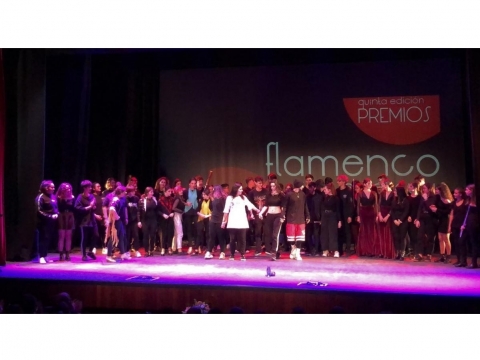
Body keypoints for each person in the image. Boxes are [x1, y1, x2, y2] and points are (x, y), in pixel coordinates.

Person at [222, 182, 259, 261]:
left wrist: (257, 209)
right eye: (240, 189)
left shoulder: (243, 198)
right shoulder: (230, 198)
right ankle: (232, 254)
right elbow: (226, 210)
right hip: (232, 222)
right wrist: (224, 221)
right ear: (236, 190)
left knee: (242, 239)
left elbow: (250, 204)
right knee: (232, 239)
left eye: (241, 189)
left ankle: (242, 254)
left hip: (242, 222)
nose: (242, 190)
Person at [259, 181, 286, 261]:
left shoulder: (281, 195)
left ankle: (274, 252)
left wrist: (282, 216)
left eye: (274, 186)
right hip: (269, 215)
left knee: (275, 235)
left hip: (277, 216)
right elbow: (266, 205)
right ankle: (276, 251)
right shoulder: (269, 195)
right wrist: (261, 213)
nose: (272, 188)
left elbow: (283, 207)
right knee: (269, 235)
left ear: (277, 186)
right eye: (271, 186)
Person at [284, 180, 310, 260]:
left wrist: (308, 216)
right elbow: (285, 206)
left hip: (301, 219)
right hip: (291, 219)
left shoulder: (303, 194)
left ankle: (298, 253)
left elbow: (305, 206)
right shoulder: (289, 195)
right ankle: (293, 249)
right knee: (291, 238)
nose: (303, 186)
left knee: (300, 237)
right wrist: (283, 215)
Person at [414, 183, 440, 262]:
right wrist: (417, 219)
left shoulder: (434, 197)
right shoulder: (423, 197)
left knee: (430, 237)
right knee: (419, 236)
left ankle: (429, 254)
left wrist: (426, 200)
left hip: (431, 219)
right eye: (423, 188)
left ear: (429, 189)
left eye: (425, 188)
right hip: (422, 218)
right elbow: (419, 208)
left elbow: (431, 208)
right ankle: (420, 254)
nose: (423, 190)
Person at [35, 180, 58, 264]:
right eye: (52, 187)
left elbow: (55, 208)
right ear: (46, 187)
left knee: (48, 238)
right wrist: (49, 216)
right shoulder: (41, 197)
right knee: (42, 238)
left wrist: (56, 214)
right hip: (42, 222)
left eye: (54, 187)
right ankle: (40, 256)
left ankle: (45, 255)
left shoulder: (53, 196)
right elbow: (39, 210)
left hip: (51, 222)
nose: (53, 188)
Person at [75, 180, 98, 261]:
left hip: (92, 219)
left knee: (95, 235)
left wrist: (94, 207)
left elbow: (94, 207)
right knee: (84, 238)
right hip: (84, 220)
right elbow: (77, 208)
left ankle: (90, 251)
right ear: (84, 188)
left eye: (90, 187)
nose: (90, 188)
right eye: (89, 187)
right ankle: (84, 254)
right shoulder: (80, 197)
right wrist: (89, 207)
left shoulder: (92, 196)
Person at [105, 186, 130, 262]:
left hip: (119, 221)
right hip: (116, 221)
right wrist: (117, 217)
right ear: (120, 192)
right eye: (123, 192)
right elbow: (111, 208)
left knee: (121, 236)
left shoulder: (120, 199)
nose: (125, 193)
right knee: (113, 237)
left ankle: (123, 253)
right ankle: (109, 255)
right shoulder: (116, 199)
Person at [356, 178, 378, 257]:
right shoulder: (360, 193)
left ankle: (371, 251)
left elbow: (376, 205)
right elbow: (358, 206)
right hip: (363, 213)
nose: (370, 184)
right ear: (364, 184)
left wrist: (377, 215)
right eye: (368, 183)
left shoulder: (374, 193)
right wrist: (358, 216)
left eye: (371, 183)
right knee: (363, 232)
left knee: (371, 232)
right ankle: (363, 250)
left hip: (372, 213)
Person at [248, 176, 268, 256]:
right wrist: (251, 214)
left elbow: (268, 202)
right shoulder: (252, 193)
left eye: (261, 183)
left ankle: (267, 248)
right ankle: (258, 249)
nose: (261, 185)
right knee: (258, 232)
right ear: (255, 183)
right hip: (256, 214)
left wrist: (265, 212)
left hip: (265, 214)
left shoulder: (266, 191)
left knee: (267, 231)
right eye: (259, 183)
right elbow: (250, 204)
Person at [320, 184, 342, 257]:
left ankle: (335, 250)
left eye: (325, 189)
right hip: (325, 216)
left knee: (333, 234)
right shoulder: (324, 198)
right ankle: (325, 250)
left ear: (330, 190)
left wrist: (339, 220)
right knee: (325, 234)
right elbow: (322, 208)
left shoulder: (336, 198)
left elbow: (338, 210)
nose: (324, 190)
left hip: (333, 216)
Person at [434, 182, 453, 263]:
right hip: (441, 220)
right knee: (440, 238)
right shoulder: (438, 199)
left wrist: (437, 210)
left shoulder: (447, 200)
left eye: (437, 189)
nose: (436, 191)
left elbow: (448, 212)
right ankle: (442, 255)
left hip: (446, 220)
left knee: (446, 238)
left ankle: (449, 256)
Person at [376, 180, 395, 259]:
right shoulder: (382, 193)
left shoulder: (393, 194)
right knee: (381, 234)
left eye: (382, 184)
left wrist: (387, 216)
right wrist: (379, 214)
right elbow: (378, 204)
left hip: (389, 215)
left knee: (388, 234)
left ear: (387, 184)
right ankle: (381, 251)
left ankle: (388, 252)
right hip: (382, 213)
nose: (381, 186)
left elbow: (393, 207)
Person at [336, 174, 354, 256]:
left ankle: (348, 249)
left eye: (339, 181)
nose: (338, 182)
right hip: (339, 214)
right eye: (337, 181)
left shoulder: (348, 191)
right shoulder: (337, 191)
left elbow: (350, 204)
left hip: (346, 214)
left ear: (344, 182)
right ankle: (340, 250)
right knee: (339, 232)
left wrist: (350, 215)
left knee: (347, 232)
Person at [56, 183, 75, 261]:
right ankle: (61, 254)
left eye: (69, 188)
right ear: (62, 189)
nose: (69, 190)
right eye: (67, 188)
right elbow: (57, 208)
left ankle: (67, 253)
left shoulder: (72, 197)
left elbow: (74, 208)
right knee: (61, 235)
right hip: (61, 216)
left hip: (70, 216)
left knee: (68, 236)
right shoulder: (58, 198)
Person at [390, 186, 410, 261]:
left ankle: (402, 253)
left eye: (395, 191)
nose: (394, 192)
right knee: (396, 237)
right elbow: (392, 210)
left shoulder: (405, 200)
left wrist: (400, 220)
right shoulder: (394, 200)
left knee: (402, 237)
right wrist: (395, 220)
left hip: (403, 221)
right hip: (395, 221)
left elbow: (406, 211)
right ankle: (397, 253)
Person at [449, 187, 468, 267]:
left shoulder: (465, 203)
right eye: (454, 193)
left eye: (456, 193)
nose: (454, 194)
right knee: (456, 243)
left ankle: (464, 261)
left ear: (460, 194)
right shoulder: (454, 203)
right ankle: (459, 260)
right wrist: (450, 226)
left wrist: (465, 224)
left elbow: (467, 215)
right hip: (455, 225)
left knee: (462, 242)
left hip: (462, 226)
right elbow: (452, 215)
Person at [208, 185, 227, 259]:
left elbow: (223, 210)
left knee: (221, 237)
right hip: (213, 220)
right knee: (211, 236)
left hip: (219, 220)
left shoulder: (222, 199)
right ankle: (209, 251)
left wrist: (224, 221)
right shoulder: (214, 199)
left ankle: (222, 252)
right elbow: (211, 208)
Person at [462, 184, 478, 269]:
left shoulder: (476, 200)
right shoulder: (468, 199)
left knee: (475, 243)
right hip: (469, 223)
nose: (465, 191)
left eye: (467, 190)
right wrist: (464, 224)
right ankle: (472, 262)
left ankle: (474, 262)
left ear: (472, 190)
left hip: (475, 223)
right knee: (471, 243)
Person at [138, 187, 158, 257]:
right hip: (145, 220)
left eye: (152, 192)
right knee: (145, 235)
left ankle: (151, 250)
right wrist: (139, 221)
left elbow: (157, 210)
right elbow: (139, 212)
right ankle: (146, 250)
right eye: (150, 192)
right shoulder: (142, 201)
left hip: (153, 220)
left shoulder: (155, 200)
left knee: (152, 235)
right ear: (147, 193)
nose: (152, 193)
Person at [183, 178, 199, 255]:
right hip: (188, 211)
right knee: (189, 229)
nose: (193, 185)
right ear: (189, 184)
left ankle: (196, 246)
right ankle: (190, 246)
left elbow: (199, 200)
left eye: (194, 183)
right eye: (192, 183)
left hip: (195, 211)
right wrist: (185, 203)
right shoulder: (185, 191)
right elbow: (181, 200)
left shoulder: (198, 191)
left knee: (196, 228)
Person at [158, 187, 175, 255]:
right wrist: (163, 214)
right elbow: (158, 210)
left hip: (170, 218)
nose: (170, 193)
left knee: (170, 233)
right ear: (165, 192)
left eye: (170, 191)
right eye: (168, 191)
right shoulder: (160, 200)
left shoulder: (172, 199)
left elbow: (174, 208)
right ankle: (163, 248)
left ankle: (169, 247)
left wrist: (173, 213)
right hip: (163, 219)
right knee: (163, 234)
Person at [125, 185, 141, 257]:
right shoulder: (125, 199)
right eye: (130, 192)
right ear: (127, 192)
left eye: (133, 191)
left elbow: (138, 211)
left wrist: (139, 221)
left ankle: (136, 250)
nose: (132, 193)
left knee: (136, 235)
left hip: (134, 220)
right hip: (127, 221)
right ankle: (127, 251)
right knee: (128, 236)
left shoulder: (136, 198)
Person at [406, 182, 421, 258]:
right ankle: (413, 252)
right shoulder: (408, 198)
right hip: (409, 219)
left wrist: (417, 218)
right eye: (409, 186)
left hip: (417, 219)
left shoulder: (419, 197)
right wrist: (408, 216)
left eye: (411, 186)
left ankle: (417, 253)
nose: (409, 188)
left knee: (417, 236)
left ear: (415, 187)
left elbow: (419, 209)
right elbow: (407, 209)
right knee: (411, 235)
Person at [196, 190, 212, 257]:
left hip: (210, 219)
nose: (203, 196)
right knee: (200, 233)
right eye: (202, 195)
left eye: (204, 195)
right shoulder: (201, 201)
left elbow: (213, 212)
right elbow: (197, 210)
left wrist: (207, 216)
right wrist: (201, 215)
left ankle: (209, 248)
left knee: (209, 234)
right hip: (202, 219)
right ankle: (199, 247)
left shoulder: (211, 201)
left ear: (208, 195)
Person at [172, 185, 186, 253]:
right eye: (180, 190)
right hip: (177, 215)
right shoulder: (177, 198)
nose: (181, 191)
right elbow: (173, 208)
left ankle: (174, 248)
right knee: (180, 232)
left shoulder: (180, 198)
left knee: (176, 233)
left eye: (181, 190)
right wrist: (182, 211)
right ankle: (179, 248)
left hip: (178, 215)